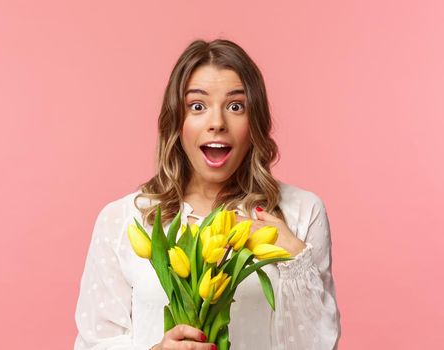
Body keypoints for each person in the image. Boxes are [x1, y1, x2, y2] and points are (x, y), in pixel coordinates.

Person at [73, 39, 341, 350]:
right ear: (177, 122)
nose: (217, 123)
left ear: (254, 122)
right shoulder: (122, 220)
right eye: (197, 106)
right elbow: (95, 342)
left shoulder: (301, 212)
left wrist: (295, 257)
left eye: (236, 106)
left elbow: (319, 343)